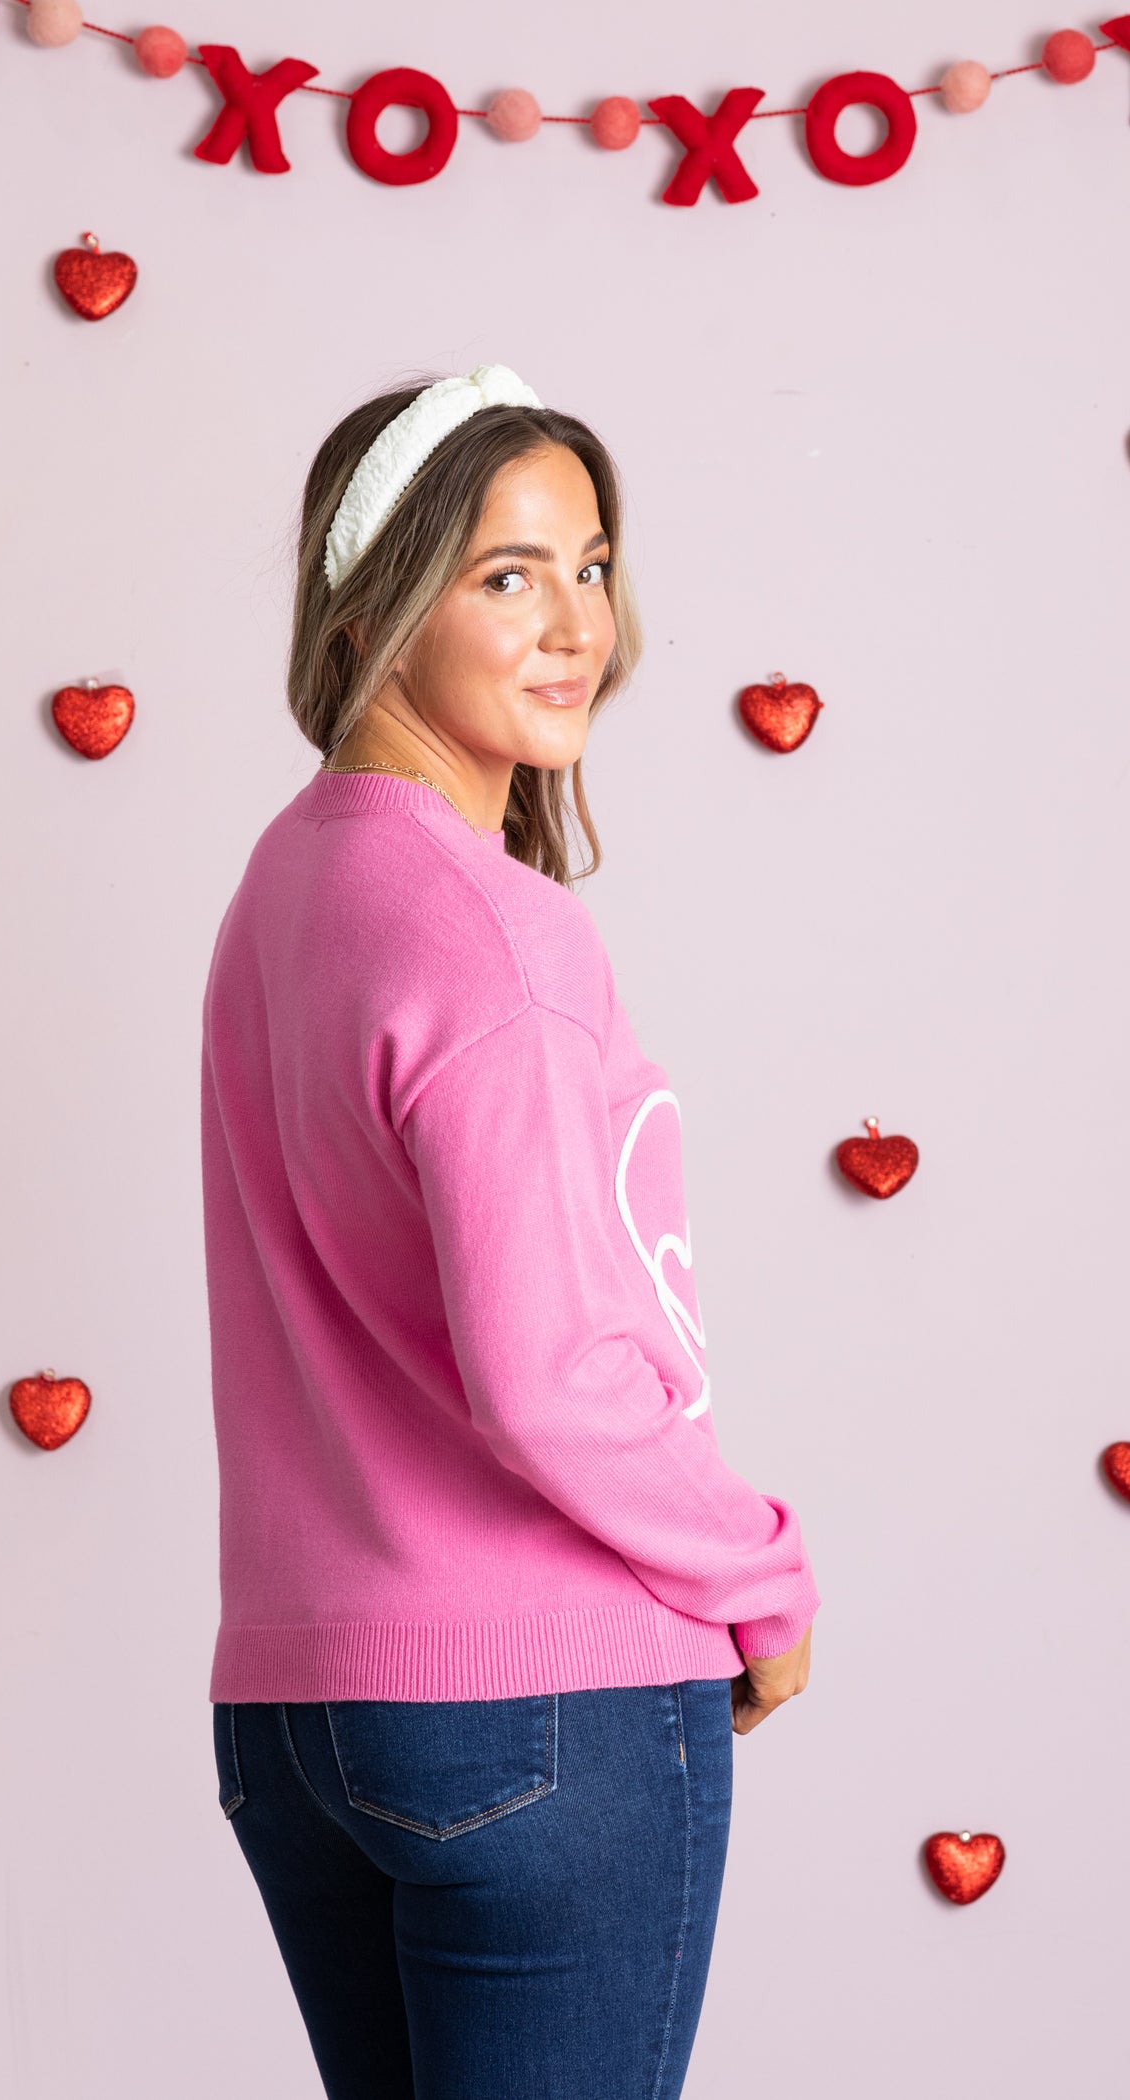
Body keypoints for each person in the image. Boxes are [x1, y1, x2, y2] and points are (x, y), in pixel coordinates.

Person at [200, 364, 820, 2100]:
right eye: (506, 576)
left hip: (304, 1713)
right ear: (380, 600)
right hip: (547, 1707)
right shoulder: (495, 937)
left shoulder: (288, 885)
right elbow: (552, 1378)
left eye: (594, 565)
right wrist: (757, 1576)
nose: (578, 630)